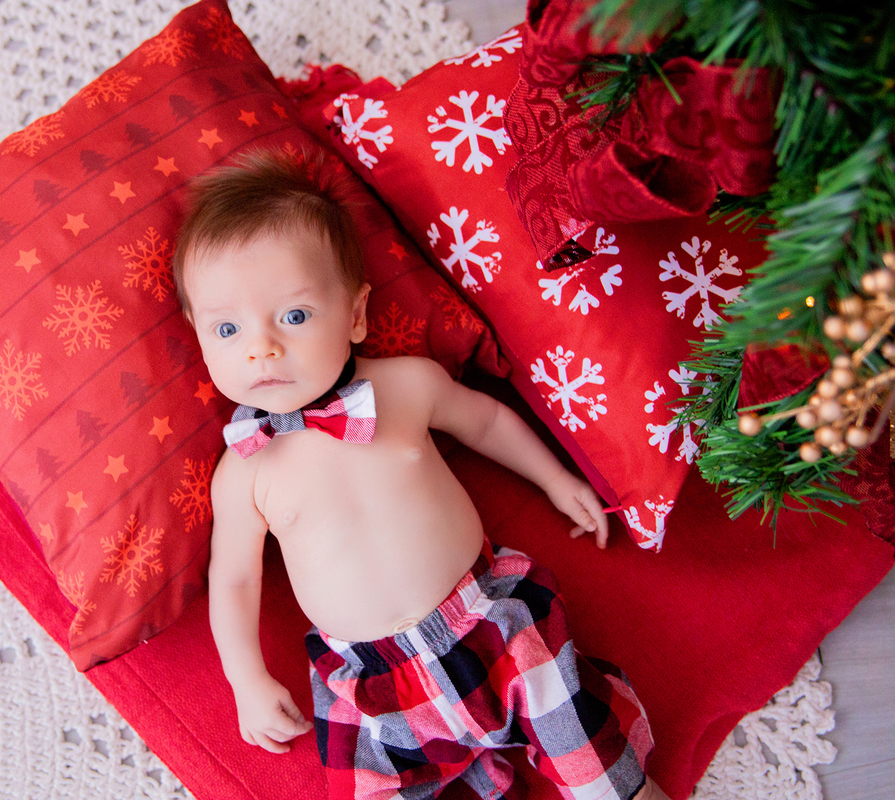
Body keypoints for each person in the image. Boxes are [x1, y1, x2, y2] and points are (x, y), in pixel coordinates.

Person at [172, 147, 669, 800]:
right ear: (200, 337)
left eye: (294, 316)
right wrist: (247, 682)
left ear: (354, 315)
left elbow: (485, 422)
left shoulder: (404, 386)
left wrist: (553, 478)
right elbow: (233, 581)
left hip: (490, 624)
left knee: (590, 752)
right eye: (228, 328)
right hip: (372, 684)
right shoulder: (243, 472)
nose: (261, 347)